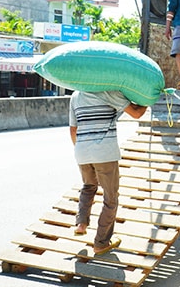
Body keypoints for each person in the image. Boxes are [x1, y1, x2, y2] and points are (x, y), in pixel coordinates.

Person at [69, 90, 147, 255]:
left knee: (88, 186)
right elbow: (137, 113)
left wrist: (82, 150)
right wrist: (148, 98)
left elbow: (73, 130)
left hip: (82, 151)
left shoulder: (76, 95)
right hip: (104, 153)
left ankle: (81, 224)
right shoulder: (108, 92)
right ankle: (101, 242)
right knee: (110, 198)